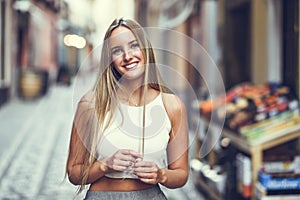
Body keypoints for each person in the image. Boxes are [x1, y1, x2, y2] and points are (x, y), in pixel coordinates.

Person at [66, 18, 189, 200]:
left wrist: (161, 174)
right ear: (110, 60)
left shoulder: (172, 105)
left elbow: (181, 174)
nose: (127, 56)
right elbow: (74, 174)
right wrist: (104, 165)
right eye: (117, 50)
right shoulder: (91, 104)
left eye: (134, 45)